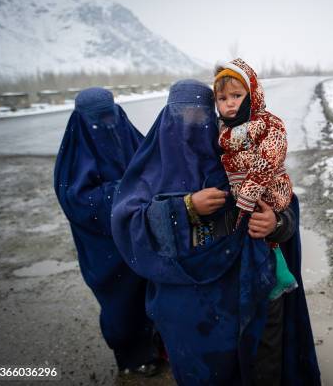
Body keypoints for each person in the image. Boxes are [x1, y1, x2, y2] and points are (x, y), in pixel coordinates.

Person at [111, 79, 320, 385]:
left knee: (251, 366)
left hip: (239, 296)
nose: (191, 126)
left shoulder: (233, 157)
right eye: (182, 117)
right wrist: (184, 207)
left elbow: (283, 201)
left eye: (200, 116)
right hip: (182, 306)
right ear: (167, 118)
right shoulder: (151, 169)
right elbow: (127, 224)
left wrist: (276, 224)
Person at [53, 87, 161, 376]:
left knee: (151, 290)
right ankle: (131, 356)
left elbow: (152, 167)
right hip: (104, 247)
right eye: (98, 120)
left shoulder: (127, 134)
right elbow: (76, 199)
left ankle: (155, 342)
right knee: (120, 302)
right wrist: (126, 192)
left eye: (109, 116)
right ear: (82, 120)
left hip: (138, 236)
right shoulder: (74, 152)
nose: (107, 125)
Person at [213, 58, 297, 300]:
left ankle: (278, 277)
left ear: (252, 95)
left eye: (236, 96)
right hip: (242, 197)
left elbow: (268, 160)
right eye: (222, 99)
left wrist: (247, 197)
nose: (229, 104)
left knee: (264, 238)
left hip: (269, 191)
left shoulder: (268, 123)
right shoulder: (222, 133)